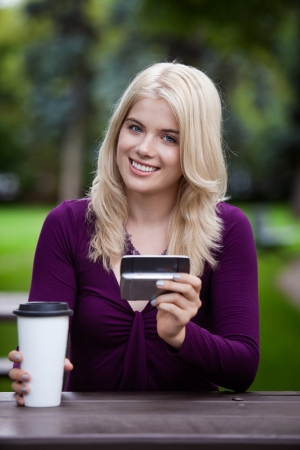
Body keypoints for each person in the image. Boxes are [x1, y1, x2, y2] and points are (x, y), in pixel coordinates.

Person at [8, 62, 259, 405]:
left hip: (192, 435)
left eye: (169, 137)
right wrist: (31, 373)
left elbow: (243, 369)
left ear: (195, 149)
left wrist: (181, 335)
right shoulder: (67, 224)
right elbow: (41, 345)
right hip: (86, 435)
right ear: (118, 131)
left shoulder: (228, 230)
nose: (144, 148)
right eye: (136, 128)